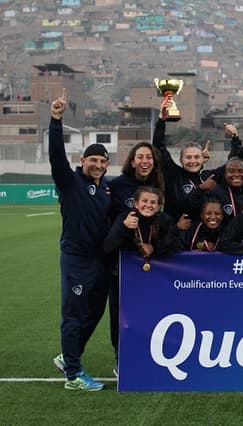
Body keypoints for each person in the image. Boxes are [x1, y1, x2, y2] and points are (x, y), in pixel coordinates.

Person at [49, 91, 110, 391]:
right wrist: (56, 120)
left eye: (103, 161)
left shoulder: (106, 189)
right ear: (82, 160)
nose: (97, 165)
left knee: (95, 311)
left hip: (100, 261)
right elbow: (56, 157)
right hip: (76, 259)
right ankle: (73, 374)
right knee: (73, 315)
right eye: (93, 160)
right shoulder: (70, 182)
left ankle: (68, 356)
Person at [107, 142, 167, 377]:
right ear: (132, 161)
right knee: (120, 314)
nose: (145, 161)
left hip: (151, 262)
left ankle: (146, 355)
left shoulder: (158, 185)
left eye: (149, 157)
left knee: (147, 311)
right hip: (123, 260)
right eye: (140, 156)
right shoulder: (117, 186)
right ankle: (121, 358)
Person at [104, 186, 181, 263]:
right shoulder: (125, 218)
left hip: (157, 267)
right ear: (136, 204)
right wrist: (124, 227)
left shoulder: (165, 220)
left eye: (153, 202)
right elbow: (108, 247)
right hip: (128, 267)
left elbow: (174, 247)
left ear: (158, 207)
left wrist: (154, 248)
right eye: (144, 201)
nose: (148, 205)